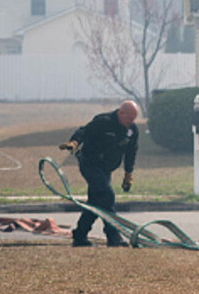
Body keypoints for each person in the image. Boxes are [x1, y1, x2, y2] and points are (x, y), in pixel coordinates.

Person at [59, 99, 140, 247]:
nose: (131, 122)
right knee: (107, 195)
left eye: (133, 119)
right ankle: (113, 236)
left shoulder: (132, 130)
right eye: (129, 118)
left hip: (106, 169)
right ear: (120, 113)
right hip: (90, 164)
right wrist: (75, 142)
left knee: (96, 202)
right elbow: (83, 131)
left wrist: (128, 174)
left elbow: (131, 152)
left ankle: (80, 235)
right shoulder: (103, 121)